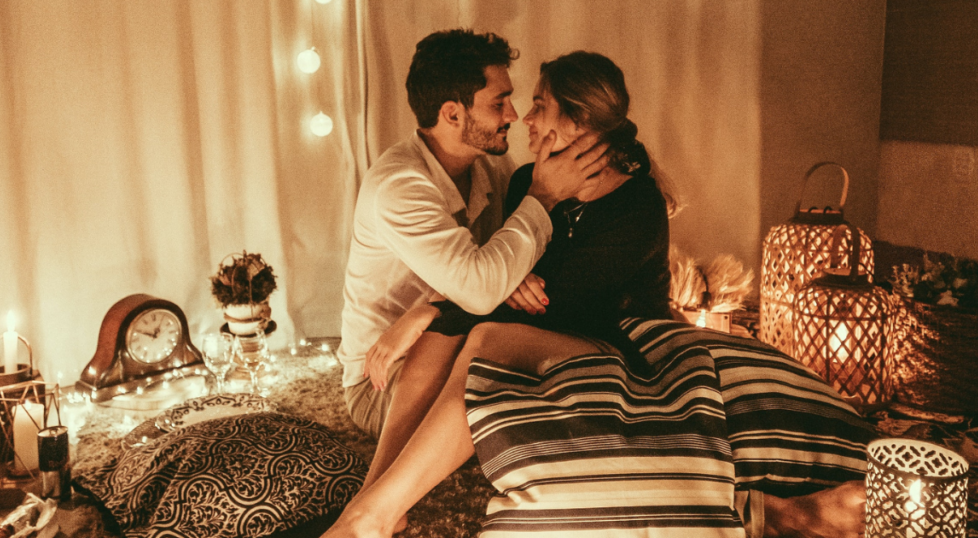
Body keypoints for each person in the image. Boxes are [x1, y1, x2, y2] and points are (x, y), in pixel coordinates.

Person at [329, 50, 868, 538]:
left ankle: (372, 513)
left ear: (580, 122)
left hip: (621, 350)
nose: (525, 118)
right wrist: (477, 295)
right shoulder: (524, 185)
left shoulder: (636, 207)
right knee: (446, 340)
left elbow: (554, 302)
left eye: (538, 104)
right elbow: (503, 274)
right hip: (546, 339)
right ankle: (375, 508)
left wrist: (429, 307)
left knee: (483, 334)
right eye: (514, 102)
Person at [336, 29, 608, 440]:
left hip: (457, 340)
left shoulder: (489, 166)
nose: (514, 115)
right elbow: (482, 288)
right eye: (499, 103)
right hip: (385, 379)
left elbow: (504, 265)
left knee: (569, 382)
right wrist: (543, 196)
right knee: (517, 409)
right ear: (452, 114)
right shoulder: (400, 187)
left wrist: (444, 301)